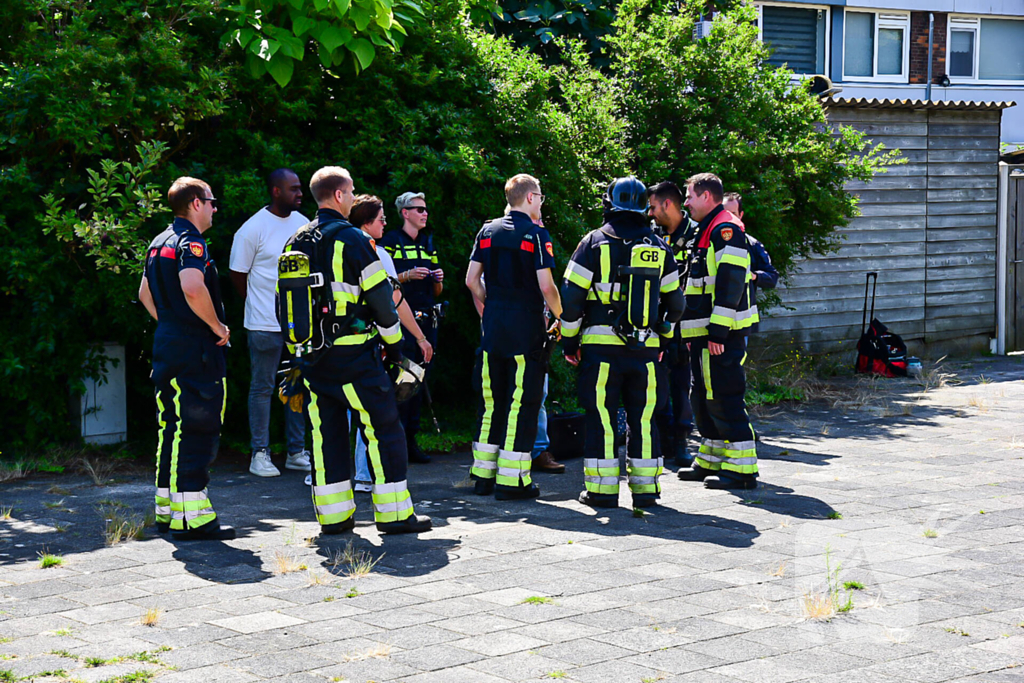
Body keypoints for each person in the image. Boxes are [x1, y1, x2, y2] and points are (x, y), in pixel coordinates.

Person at [287, 167, 431, 534]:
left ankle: (334, 519)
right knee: (384, 430)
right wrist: (397, 347)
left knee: (325, 436)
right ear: (338, 196)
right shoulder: (353, 240)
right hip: (356, 358)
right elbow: (381, 299)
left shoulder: (296, 241)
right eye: (351, 192)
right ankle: (395, 515)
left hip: (313, 359)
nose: (354, 197)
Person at [560, 177, 683, 509]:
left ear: (609, 204)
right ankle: (645, 491)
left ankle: (602, 492)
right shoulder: (659, 246)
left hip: (600, 353)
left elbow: (571, 301)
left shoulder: (593, 242)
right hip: (645, 353)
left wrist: (569, 343)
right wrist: (663, 338)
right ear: (645, 208)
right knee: (644, 419)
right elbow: (677, 304)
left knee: (601, 417)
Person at [138, 177, 235, 540]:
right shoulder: (190, 242)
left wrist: (172, 324)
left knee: (171, 427)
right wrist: (217, 327)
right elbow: (193, 287)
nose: (214, 208)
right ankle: (194, 517)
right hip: (195, 349)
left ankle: (168, 511)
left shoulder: (158, 241)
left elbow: (144, 293)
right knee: (197, 428)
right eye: (211, 201)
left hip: (168, 344)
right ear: (196, 203)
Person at [465, 174, 562, 500]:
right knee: (523, 403)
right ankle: (513, 481)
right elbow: (546, 287)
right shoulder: (535, 234)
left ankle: (483, 476)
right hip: (526, 330)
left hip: (493, 328)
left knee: (491, 402)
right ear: (531, 198)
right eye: (541, 197)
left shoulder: (487, 230)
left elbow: (470, 280)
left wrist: (491, 307)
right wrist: (564, 319)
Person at [677, 174, 760, 490]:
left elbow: (730, 284)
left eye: (689, 197)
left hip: (720, 335)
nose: (686, 203)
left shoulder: (726, 230)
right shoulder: (707, 229)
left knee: (723, 396)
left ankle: (741, 470)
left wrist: (718, 332)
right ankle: (711, 459)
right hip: (703, 335)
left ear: (706, 196)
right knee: (702, 397)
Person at [347, 195, 434, 492]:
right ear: (366, 221)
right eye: (381, 218)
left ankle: (325, 474)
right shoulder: (375, 252)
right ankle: (363, 474)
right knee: (369, 407)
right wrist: (415, 338)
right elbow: (394, 301)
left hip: (330, 343)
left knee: (335, 411)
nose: (386, 222)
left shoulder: (335, 246)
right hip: (367, 342)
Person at [229, 169, 312, 479]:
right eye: (293, 189)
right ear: (276, 191)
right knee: (263, 388)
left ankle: (295, 452)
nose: (300, 193)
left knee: (295, 386)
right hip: (263, 324)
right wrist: (259, 304)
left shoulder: (303, 225)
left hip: (299, 326)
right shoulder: (253, 229)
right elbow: (238, 274)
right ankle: (260, 454)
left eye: (300, 188)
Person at [379, 192, 443, 464]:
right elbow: (384, 283)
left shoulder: (429, 243)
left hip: (428, 320)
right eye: (418, 209)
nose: (424, 214)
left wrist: (437, 279)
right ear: (405, 213)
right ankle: (398, 441)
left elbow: (438, 290)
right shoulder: (390, 241)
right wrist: (407, 275)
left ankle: (412, 442)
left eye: (426, 209)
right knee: (402, 381)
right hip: (403, 322)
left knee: (419, 381)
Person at [648, 181, 698, 469]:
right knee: (654, 386)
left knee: (681, 387)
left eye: (654, 207)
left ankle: (680, 442)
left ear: (668, 204)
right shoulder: (650, 235)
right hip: (653, 324)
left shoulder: (696, 234)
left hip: (683, 326)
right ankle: (658, 441)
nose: (650, 213)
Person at [722, 192, 779, 292]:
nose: (728, 218)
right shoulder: (707, 241)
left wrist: (753, 276)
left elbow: (772, 277)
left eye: (733, 214)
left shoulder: (752, 244)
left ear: (741, 215)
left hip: (743, 305)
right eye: (725, 214)